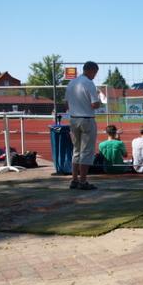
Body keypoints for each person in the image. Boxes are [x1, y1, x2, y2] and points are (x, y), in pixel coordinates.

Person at [65, 61, 100, 190]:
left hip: (73, 119)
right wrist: (99, 101)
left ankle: (74, 180)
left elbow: (66, 103)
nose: (95, 76)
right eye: (95, 73)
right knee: (86, 151)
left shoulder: (71, 83)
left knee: (76, 150)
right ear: (91, 70)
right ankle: (83, 181)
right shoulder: (89, 83)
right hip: (87, 119)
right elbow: (95, 104)